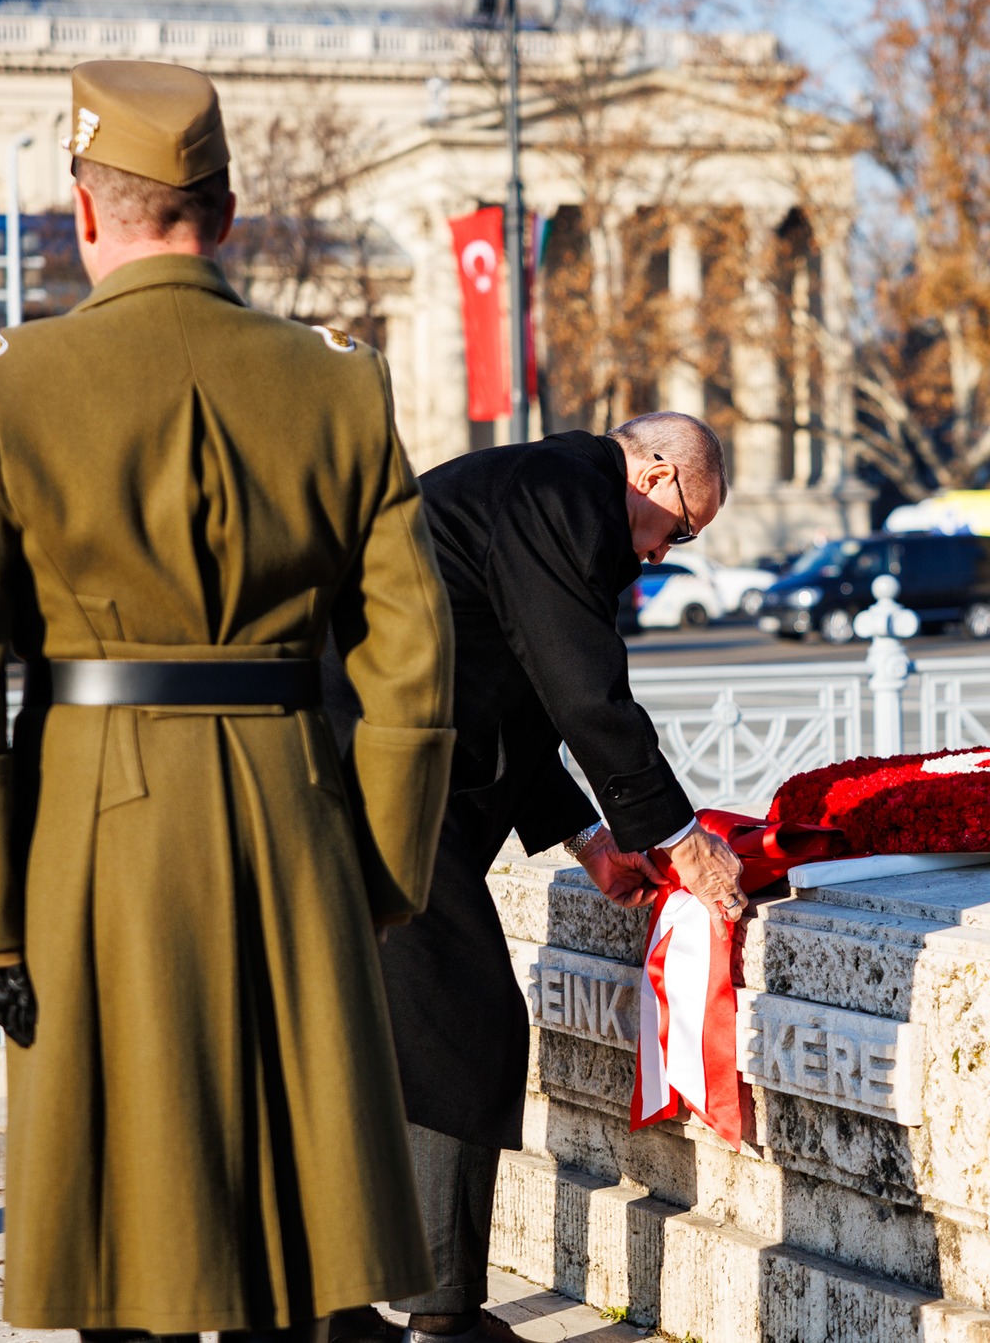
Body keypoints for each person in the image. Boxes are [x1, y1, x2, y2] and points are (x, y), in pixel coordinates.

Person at [0, 60, 454, 1340]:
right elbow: (411, 664)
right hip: (295, 823)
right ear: (225, 209)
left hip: (92, 838)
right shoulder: (340, 381)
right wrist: (377, 875)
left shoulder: (2, 383)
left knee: (122, 1235)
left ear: (82, 211)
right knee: (289, 1233)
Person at [323, 411, 746, 1343]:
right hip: (376, 786)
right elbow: (580, 686)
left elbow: (511, 688)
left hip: (368, 776)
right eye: (679, 530)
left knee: (369, 1043)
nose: (659, 555)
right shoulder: (564, 494)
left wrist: (591, 837)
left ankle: (335, 1306)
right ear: (656, 471)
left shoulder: (541, 487)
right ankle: (443, 1315)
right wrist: (679, 837)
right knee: (463, 1022)